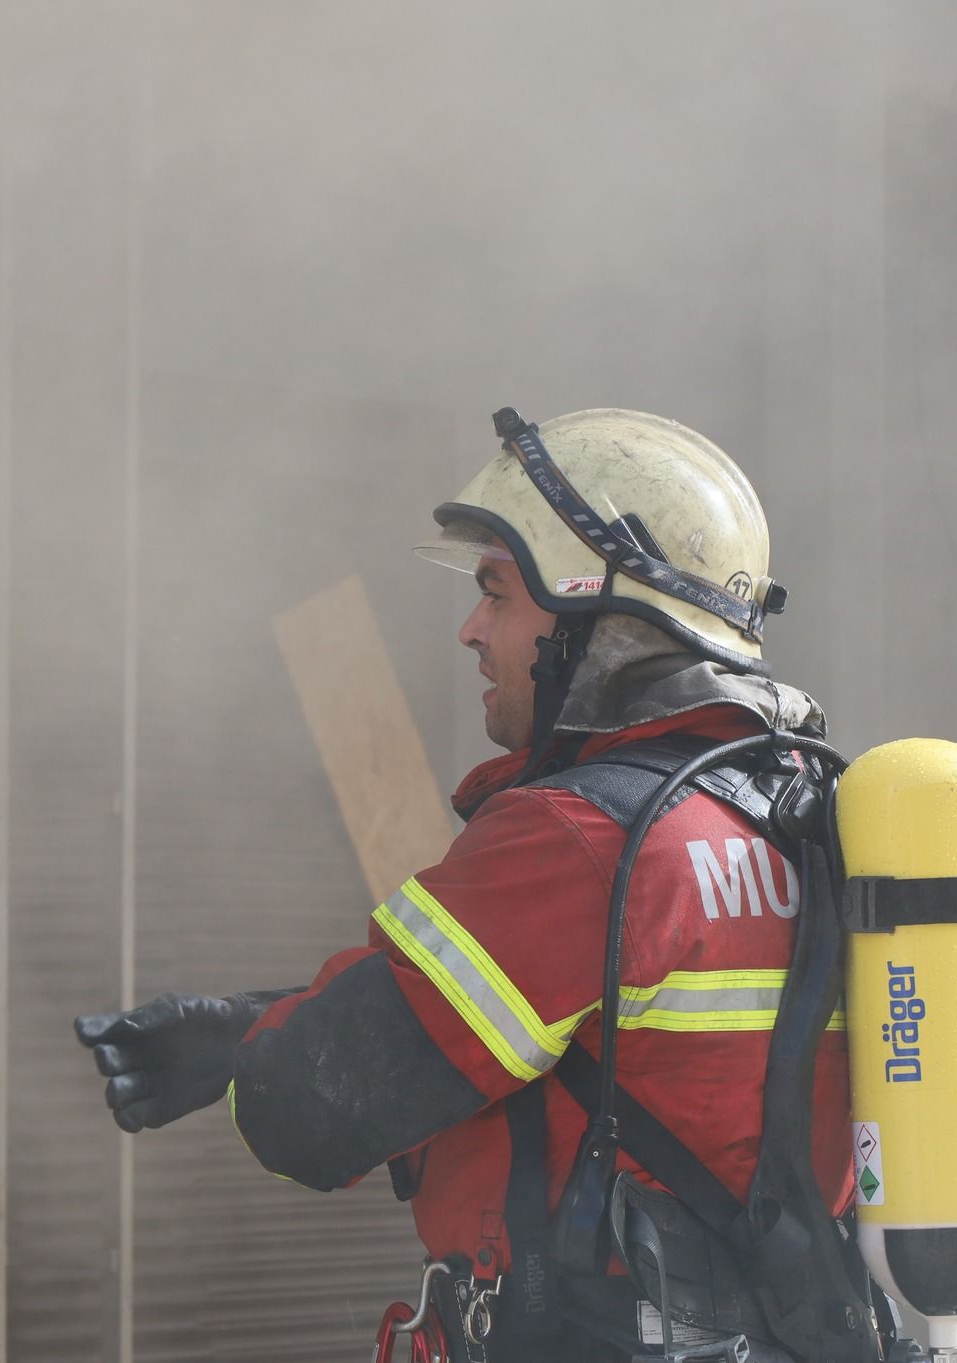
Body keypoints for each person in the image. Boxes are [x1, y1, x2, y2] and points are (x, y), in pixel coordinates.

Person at [75, 408, 872, 1362]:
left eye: (497, 592)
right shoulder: (809, 817)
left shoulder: (580, 840)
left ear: (595, 615)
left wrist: (259, 1057)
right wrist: (249, 1022)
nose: (469, 628)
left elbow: (314, 1113)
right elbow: (576, 1034)